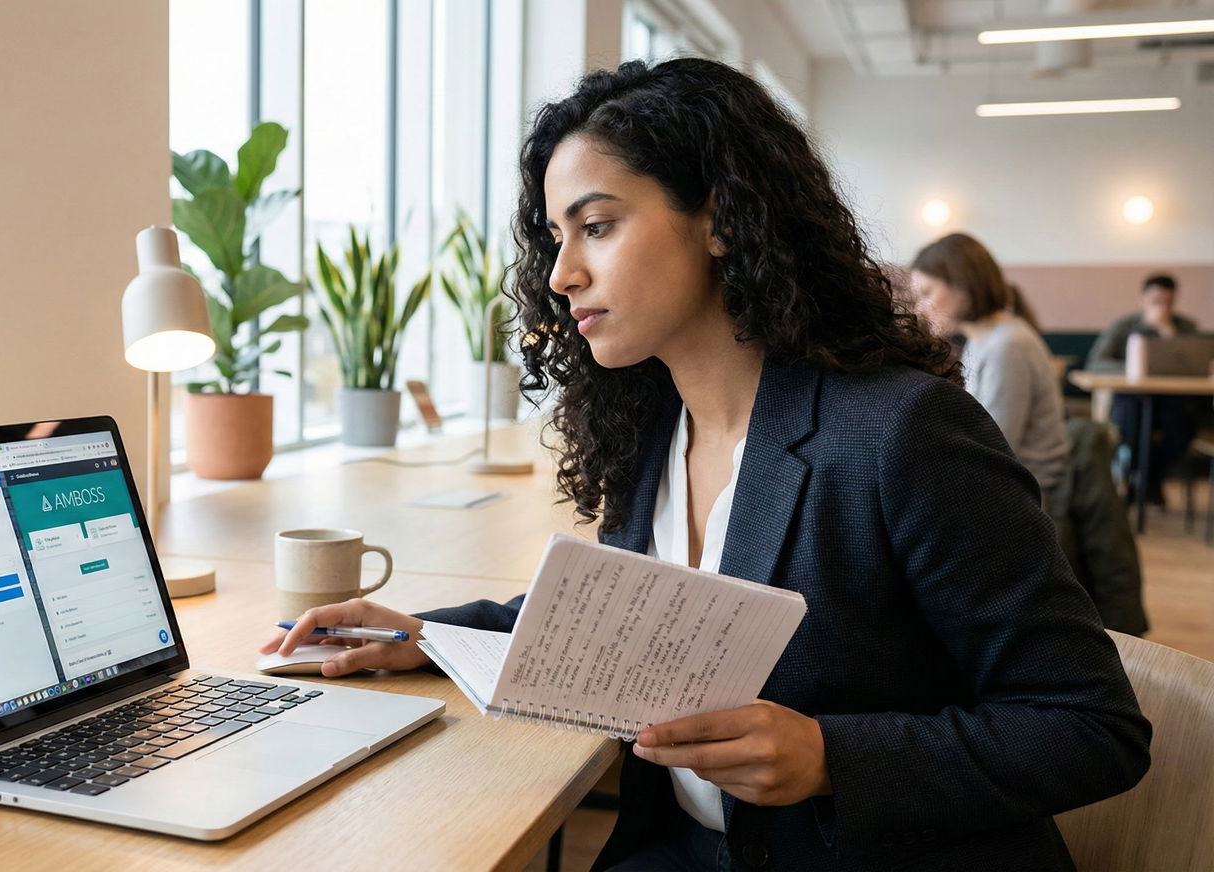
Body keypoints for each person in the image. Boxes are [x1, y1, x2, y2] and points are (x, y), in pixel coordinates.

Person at [262, 58, 1148, 871]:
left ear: (722, 220)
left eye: (596, 227)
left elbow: (1090, 724)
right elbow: (633, 615)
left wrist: (831, 758)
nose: (562, 274)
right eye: (556, 238)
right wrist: (423, 637)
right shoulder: (651, 430)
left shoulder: (903, 434)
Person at [911, 233, 1070, 495]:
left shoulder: (1007, 345)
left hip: (1029, 491)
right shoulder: (981, 340)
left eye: (927, 293)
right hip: (1008, 479)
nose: (919, 309)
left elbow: (995, 447)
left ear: (962, 285)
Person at [1087, 273, 1201, 503]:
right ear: (1144, 298)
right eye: (1155, 301)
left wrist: (1168, 333)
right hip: (1132, 399)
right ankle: (1140, 480)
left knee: (1180, 428)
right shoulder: (1124, 326)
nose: (1161, 307)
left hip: (1173, 402)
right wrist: (1132, 367)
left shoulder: (1185, 327)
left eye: (1167, 302)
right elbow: (1096, 363)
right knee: (1131, 423)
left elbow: (1196, 365)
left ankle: (1148, 479)